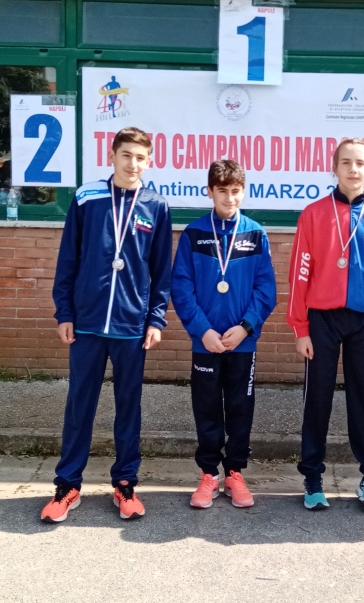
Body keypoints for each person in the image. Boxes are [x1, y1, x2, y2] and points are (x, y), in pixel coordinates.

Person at [41, 126, 172, 524]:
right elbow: (68, 258)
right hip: (87, 323)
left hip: (132, 325)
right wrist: (64, 312)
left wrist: (156, 318)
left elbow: (161, 271)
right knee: (79, 406)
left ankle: (125, 484)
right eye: (126, 155)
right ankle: (67, 485)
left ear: (149, 162)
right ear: (111, 155)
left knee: (128, 408)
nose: (133, 164)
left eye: (141, 157)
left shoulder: (156, 206)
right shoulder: (87, 197)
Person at [287, 138, 364, 512]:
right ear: (334, 168)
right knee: (317, 398)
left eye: (360, 163)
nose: (353, 169)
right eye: (346, 162)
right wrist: (300, 328)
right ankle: (312, 477)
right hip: (322, 320)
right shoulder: (313, 214)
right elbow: (299, 274)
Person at [172, 160, 277, 510]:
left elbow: (266, 289)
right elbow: (181, 288)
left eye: (235, 191)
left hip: (241, 342)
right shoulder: (193, 234)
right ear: (210, 192)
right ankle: (208, 474)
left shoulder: (256, 234)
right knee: (206, 408)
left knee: (240, 407)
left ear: (243, 191)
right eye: (222, 191)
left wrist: (246, 327)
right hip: (205, 342)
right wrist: (202, 330)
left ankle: (234, 473)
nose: (229, 198)